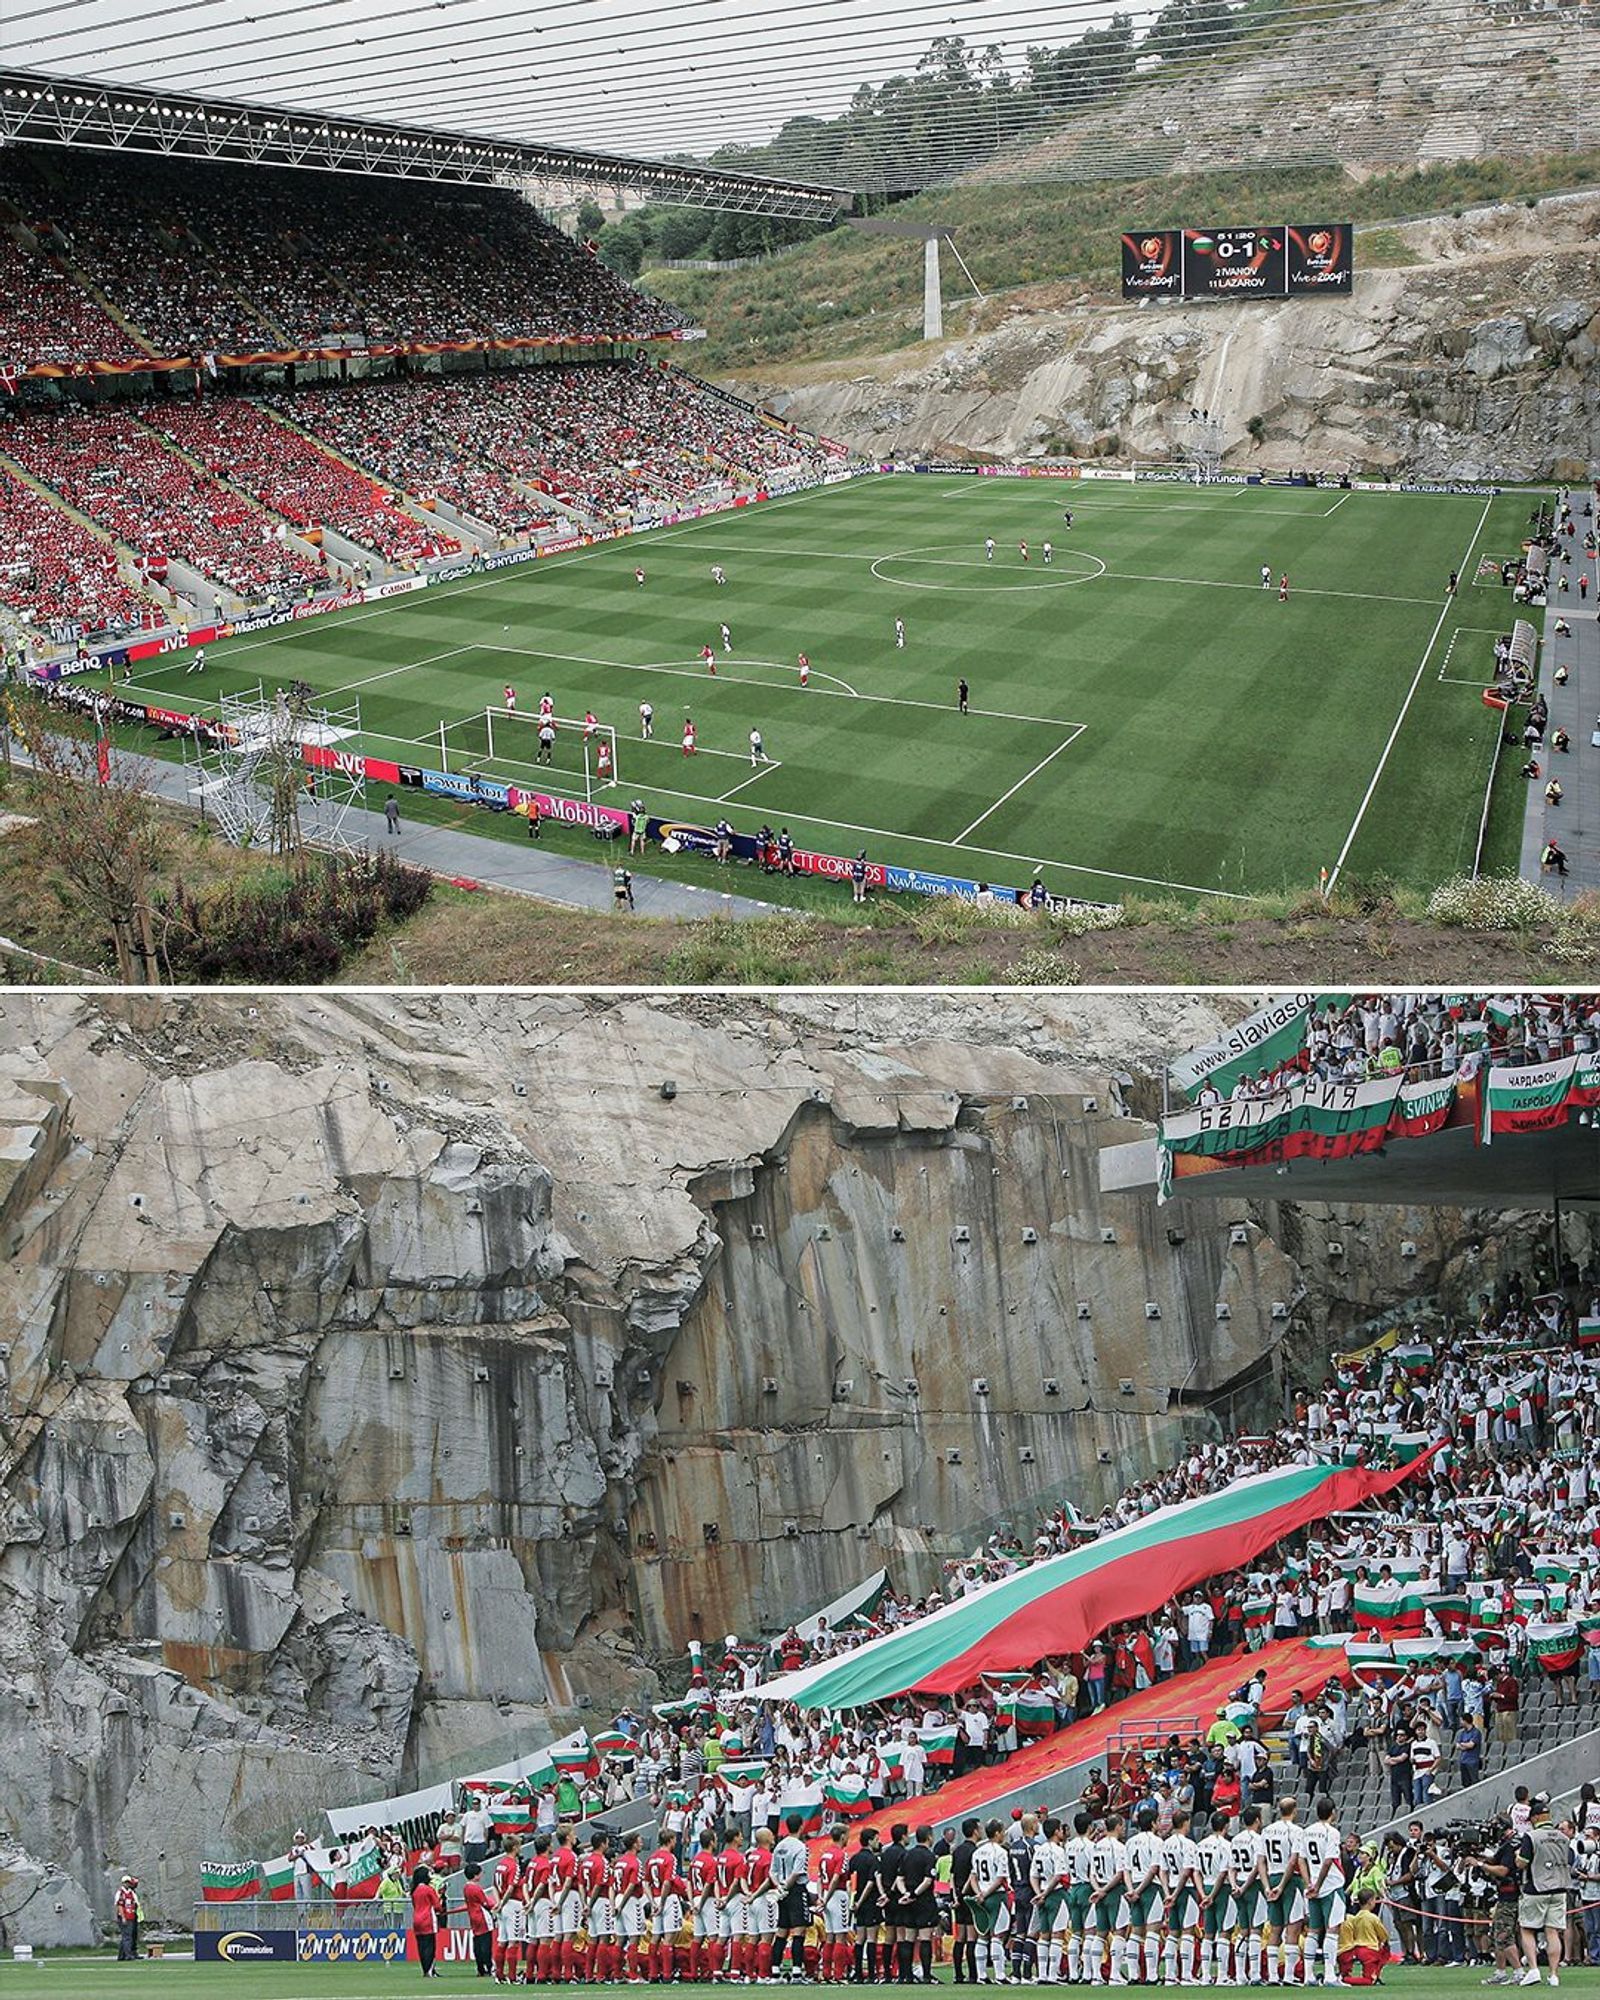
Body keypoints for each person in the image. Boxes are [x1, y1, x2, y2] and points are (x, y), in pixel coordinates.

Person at [1518, 1793, 1571, 1987]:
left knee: (1527, 1928)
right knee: (1553, 1932)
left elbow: (1522, 1863)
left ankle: (1533, 1969)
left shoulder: (1531, 1836)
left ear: (1534, 1818)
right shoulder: (1563, 1837)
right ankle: (1554, 1974)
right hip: (1559, 1888)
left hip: (1536, 1887)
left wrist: (1518, 1856)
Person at [968, 1819, 1013, 1985]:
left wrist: (979, 1893)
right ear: (997, 1833)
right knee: (997, 1936)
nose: (1004, 1834)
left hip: (981, 1896)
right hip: (995, 1896)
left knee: (982, 1935)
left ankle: (981, 1975)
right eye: (1002, 1831)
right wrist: (986, 1893)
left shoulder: (978, 1851)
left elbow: (973, 1876)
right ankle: (1000, 1975)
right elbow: (1001, 1878)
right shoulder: (1000, 1852)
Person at [1337, 1890, 1390, 1986]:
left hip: (1357, 1948)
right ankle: (1344, 1979)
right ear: (1370, 1901)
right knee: (1369, 1980)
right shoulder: (1373, 1917)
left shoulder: (1355, 1918)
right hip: (1370, 1949)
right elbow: (1384, 1935)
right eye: (1374, 1900)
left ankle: (1344, 1976)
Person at [463, 1861, 496, 1978]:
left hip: (473, 1916)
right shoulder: (476, 1888)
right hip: (482, 1916)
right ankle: (489, 1966)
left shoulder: (466, 1887)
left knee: (477, 1943)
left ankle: (480, 1968)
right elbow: (485, 1903)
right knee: (486, 1943)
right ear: (476, 1875)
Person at [411, 1863, 444, 1979]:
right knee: (430, 1945)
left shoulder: (414, 1891)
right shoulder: (428, 1889)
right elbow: (437, 1905)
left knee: (421, 1946)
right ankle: (430, 1969)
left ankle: (425, 1969)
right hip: (428, 1919)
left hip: (417, 1919)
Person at [115, 1874, 141, 1960]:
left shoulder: (131, 1893)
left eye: (128, 1882)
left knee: (127, 1936)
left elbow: (136, 1904)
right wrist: (123, 1917)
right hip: (124, 1916)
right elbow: (120, 1906)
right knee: (127, 1937)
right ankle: (128, 1955)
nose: (127, 1884)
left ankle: (121, 1955)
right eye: (125, 1882)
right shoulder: (121, 1893)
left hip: (131, 1916)